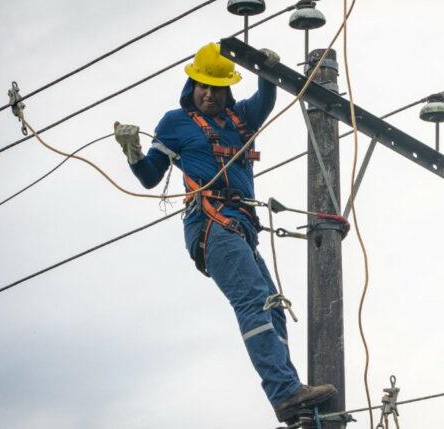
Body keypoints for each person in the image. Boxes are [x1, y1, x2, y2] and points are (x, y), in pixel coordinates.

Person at [113, 42, 335, 422]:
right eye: (202, 85)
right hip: (210, 224)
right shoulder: (175, 123)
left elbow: (266, 98)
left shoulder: (240, 119)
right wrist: (132, 151)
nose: (208, 94)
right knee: (252, 301)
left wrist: (266, 68)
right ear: (192, 84)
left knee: (272, 308)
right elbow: (151, 177)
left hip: (241, 228)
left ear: (227, 89)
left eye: (216, 87)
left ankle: (293, 398)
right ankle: (284, 392)